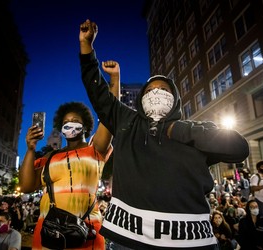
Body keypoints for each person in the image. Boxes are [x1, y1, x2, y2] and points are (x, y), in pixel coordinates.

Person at [79, 19, 249, 249]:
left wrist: (174, 129)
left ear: (175, 100)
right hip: (129, 241)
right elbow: (97, 90)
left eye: (164, 90)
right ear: (141, 99)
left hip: (190, 243)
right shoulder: (128, 121)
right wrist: (86, 47)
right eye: (149, 91)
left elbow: (239, 147)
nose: (156, 93)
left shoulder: (193, 130)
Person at [19, 59, 120, 249]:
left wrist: (114, 79)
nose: (70, 124)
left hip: (88, 234)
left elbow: (110, 116)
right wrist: (30, 148)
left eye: (75, 120)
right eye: (66, 121)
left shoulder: (94, 150)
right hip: (49, 234)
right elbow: (25, 186)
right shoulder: (49, 157)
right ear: (60, 126)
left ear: (86, 126)